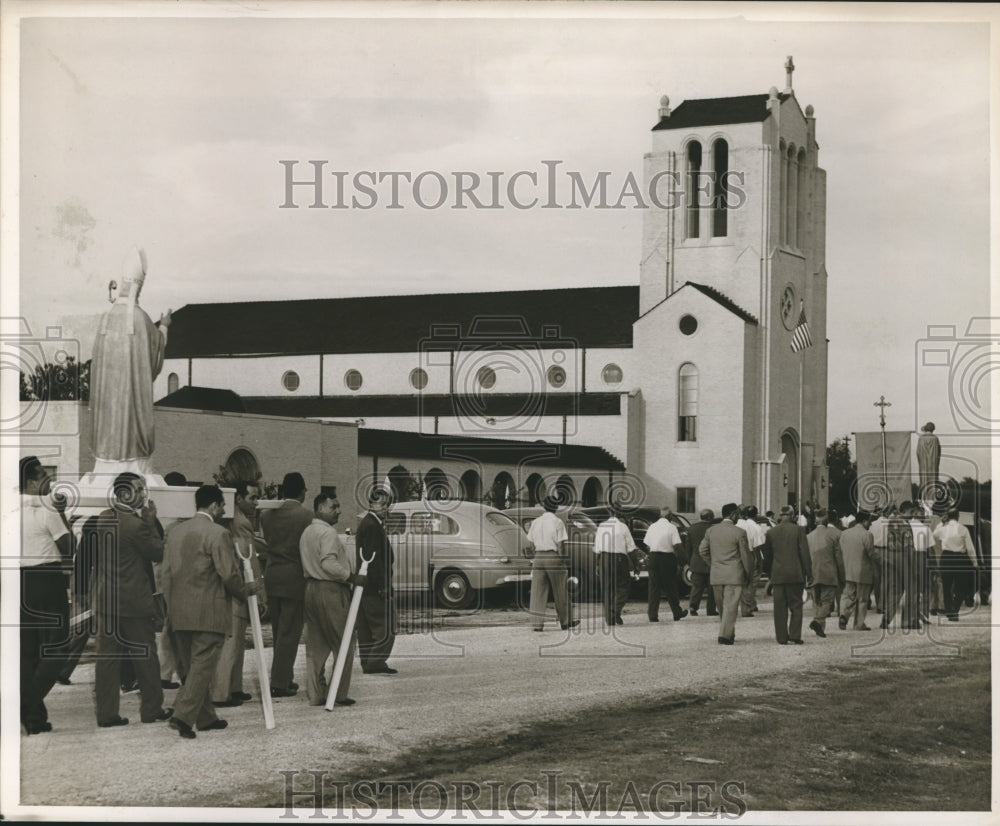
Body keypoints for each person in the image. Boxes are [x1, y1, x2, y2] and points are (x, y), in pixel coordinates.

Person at [160, 485, 260, 739]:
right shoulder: (218, 533)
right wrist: (246, 591)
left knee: (192, 667)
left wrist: (170, 608)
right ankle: (183, 717)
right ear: (214, 506)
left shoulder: (176, 532)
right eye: (223, 506)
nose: (224, 510)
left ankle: (206, 718)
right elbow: (228, 573)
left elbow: (167, 574)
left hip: (179, 610)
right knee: (203, 666)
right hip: (209, 610)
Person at [92, 472, 172, 727]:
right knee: (145, 657)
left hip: (107, 600)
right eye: (140, 489)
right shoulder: (135, 525)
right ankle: (152, 709)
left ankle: (106, 714)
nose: (144, 494)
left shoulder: (103, 519)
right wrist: (150, 521)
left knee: (107, 660)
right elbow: (158, 552)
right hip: (134, 601)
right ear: (126, 493)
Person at [89, 247, 171, 476]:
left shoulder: (105, 319)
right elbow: (155, 357)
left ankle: (107, 458)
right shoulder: (141, 319)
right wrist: (164, 325)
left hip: (106, 415)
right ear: (139, 285)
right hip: (132, 407)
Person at [19, 456, 73, 734]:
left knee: (27, 653)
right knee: (58, 647)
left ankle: (35, 719)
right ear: (30, 481)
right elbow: (69, 547)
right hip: (45, 578)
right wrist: (62, 513)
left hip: (18, 581)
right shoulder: (46, 508)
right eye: (42, 475)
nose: (48, 480)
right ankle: (25, 705)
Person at [210, 480, 267, 707]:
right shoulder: (241, 524)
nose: (256, 502)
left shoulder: (232, 521)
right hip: (240, 588)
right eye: (252, 497)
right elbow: (249, 559)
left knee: (236, 641)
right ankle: (222, 692)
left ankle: (233, 687)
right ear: (240, 499)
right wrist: (260, 592)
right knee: (232, 642)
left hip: (231, 587)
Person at [300, 493, 361, 705]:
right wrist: (350, 576)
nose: (338, 510)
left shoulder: (307, 532)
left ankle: (316, 694)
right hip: (331, 590)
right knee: (344, 642)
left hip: (310, 589)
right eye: (333, 506)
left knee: (315, 646)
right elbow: (328, 564)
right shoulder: (328, 533)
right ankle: (338, 693)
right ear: (320, 508)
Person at [260, 472, 313, 696]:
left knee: (279, 630)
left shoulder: (266, 515)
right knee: (289, 634)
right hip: (294, 578)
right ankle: (280, 682)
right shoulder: (306, 516)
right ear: (302, 491)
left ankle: (285, 677)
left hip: (272, 575)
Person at [355, 488, 398, 674]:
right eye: (383, 504)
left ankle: (367, 661)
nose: (386, 508)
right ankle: (376, 662)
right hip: (375, 586)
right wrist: (383, 586)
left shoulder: (367, 523)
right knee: (385, 626)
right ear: (372, 504)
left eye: (387, 504)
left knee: (365, 627)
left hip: (365, 586)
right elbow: (373, 559)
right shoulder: (373, 526)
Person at [697, 503, 753, 645]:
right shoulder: (739, 532)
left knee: (722, 607)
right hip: (734, 574)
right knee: (730, 607)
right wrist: (748, 573)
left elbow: (702, 550)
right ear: (733, 514)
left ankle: (729, 632)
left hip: (716, 574)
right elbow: (745, 556)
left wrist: (713, 563)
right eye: (738, 514)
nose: (738, 517)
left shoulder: (711, 531)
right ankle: (725, 636)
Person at [525, 497, 578, 631]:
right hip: (553, 556)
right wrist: (562, 559)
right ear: (555, 507)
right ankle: (566, 621)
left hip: (538, 557)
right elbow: (560, 545)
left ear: (544, 507)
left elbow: (531, 544)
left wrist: (536, 555)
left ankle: (537, 624)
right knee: (560, 589)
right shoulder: (557, 522)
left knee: (537, 592)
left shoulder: (535, 522)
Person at [763, 505, 811, 645]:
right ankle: (795, 635)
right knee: (796, 605)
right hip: (795, 574)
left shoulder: (771, 532)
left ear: (780, 515)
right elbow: (804, 554)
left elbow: (767, 557)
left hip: (778, 575)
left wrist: (770, 573)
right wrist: (808, 573)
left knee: (779, 608)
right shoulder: (799, 530)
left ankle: (782, 637)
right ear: (792, 515)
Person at [593, 505, 639, 626]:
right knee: (623, 586)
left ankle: (610, 617)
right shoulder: (623, 527)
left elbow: (597, 548)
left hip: (604, 558)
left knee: (606, 589)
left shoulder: (602, 526)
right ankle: (615, 610)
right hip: (619, 559)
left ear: (609, 512)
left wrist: (597, 564)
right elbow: (631, 548)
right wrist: (636, 565)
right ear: (620, 512)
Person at [644, 505, 688, 623]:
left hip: (653, 557)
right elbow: (677, 545)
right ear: (669, 516)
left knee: (654, 587)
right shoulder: (671, 527)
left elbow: (647, 544)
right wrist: (683, 561)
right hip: (667, 558)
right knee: (670, 587)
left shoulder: (652, 526)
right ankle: (677, 612)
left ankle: (652, 615)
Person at [933, 509, 979, 622]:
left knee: (946, 586)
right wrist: (975, 562)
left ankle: (949, 611)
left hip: (946, 558)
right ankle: (955, 610)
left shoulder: (943, 529)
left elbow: (934, 535)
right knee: (961, 586)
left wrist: (941, 523)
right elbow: (970, 548)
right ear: (958, 517)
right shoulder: (963, 529)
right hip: (960, 559)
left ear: (947, 517)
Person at [881, 504, 919, 630]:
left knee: (895, 590)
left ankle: (886, 618)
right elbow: (908, 546)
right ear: (903, 511)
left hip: (891, 557)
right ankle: (909, 620)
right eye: (911, 511)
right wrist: (913, 565)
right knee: (911, 590)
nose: (913, 514)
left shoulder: (891, 522)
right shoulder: (905, 525)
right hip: (904, 558)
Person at [838, 511, 878, 631]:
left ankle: (844, 615)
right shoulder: (867, 535)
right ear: (865, 521)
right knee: (862, 599)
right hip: (863, 571)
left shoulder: (844, 533)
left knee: (847, 595)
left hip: (848, 569)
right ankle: (859, 624)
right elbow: (871, 553)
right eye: (869, 522)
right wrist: (883, 561)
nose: (870, 524)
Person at [807, 509, 844, 638]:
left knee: (816, 601)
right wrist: (842, 574)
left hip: (813, 572)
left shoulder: (809, 536)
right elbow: (839, 557)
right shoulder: (836, 534)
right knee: (827, 600)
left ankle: (820, 628)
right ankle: (818, 621)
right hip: (829, 572)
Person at [685, 509, 717, 617]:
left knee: (696, 587)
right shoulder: (713, 529)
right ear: (710, 517)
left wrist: (690, 561)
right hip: (711, 562)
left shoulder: (691, 528)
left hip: (696, 562)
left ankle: (693, 607)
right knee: (712, 588)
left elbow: (688, 548)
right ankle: (711, 609)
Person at [736, 505, 767, 617]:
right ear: (756, 514)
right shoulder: (755, 527)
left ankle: (752, 604)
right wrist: (759, 562)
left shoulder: (737, 525)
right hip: (751, 555)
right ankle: (748, 606)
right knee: (752, 583)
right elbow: (758, 547)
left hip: (737, 557)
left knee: (743, 583)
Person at [916, 422, 941, 494]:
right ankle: (932, 498)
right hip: (933, 465)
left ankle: (924, 499)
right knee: (933, 482)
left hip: (923, 465)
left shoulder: (921, 438)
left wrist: (920, 462)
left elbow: (918, 452)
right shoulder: (935, 438)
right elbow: (939, 452)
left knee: (924, 482)